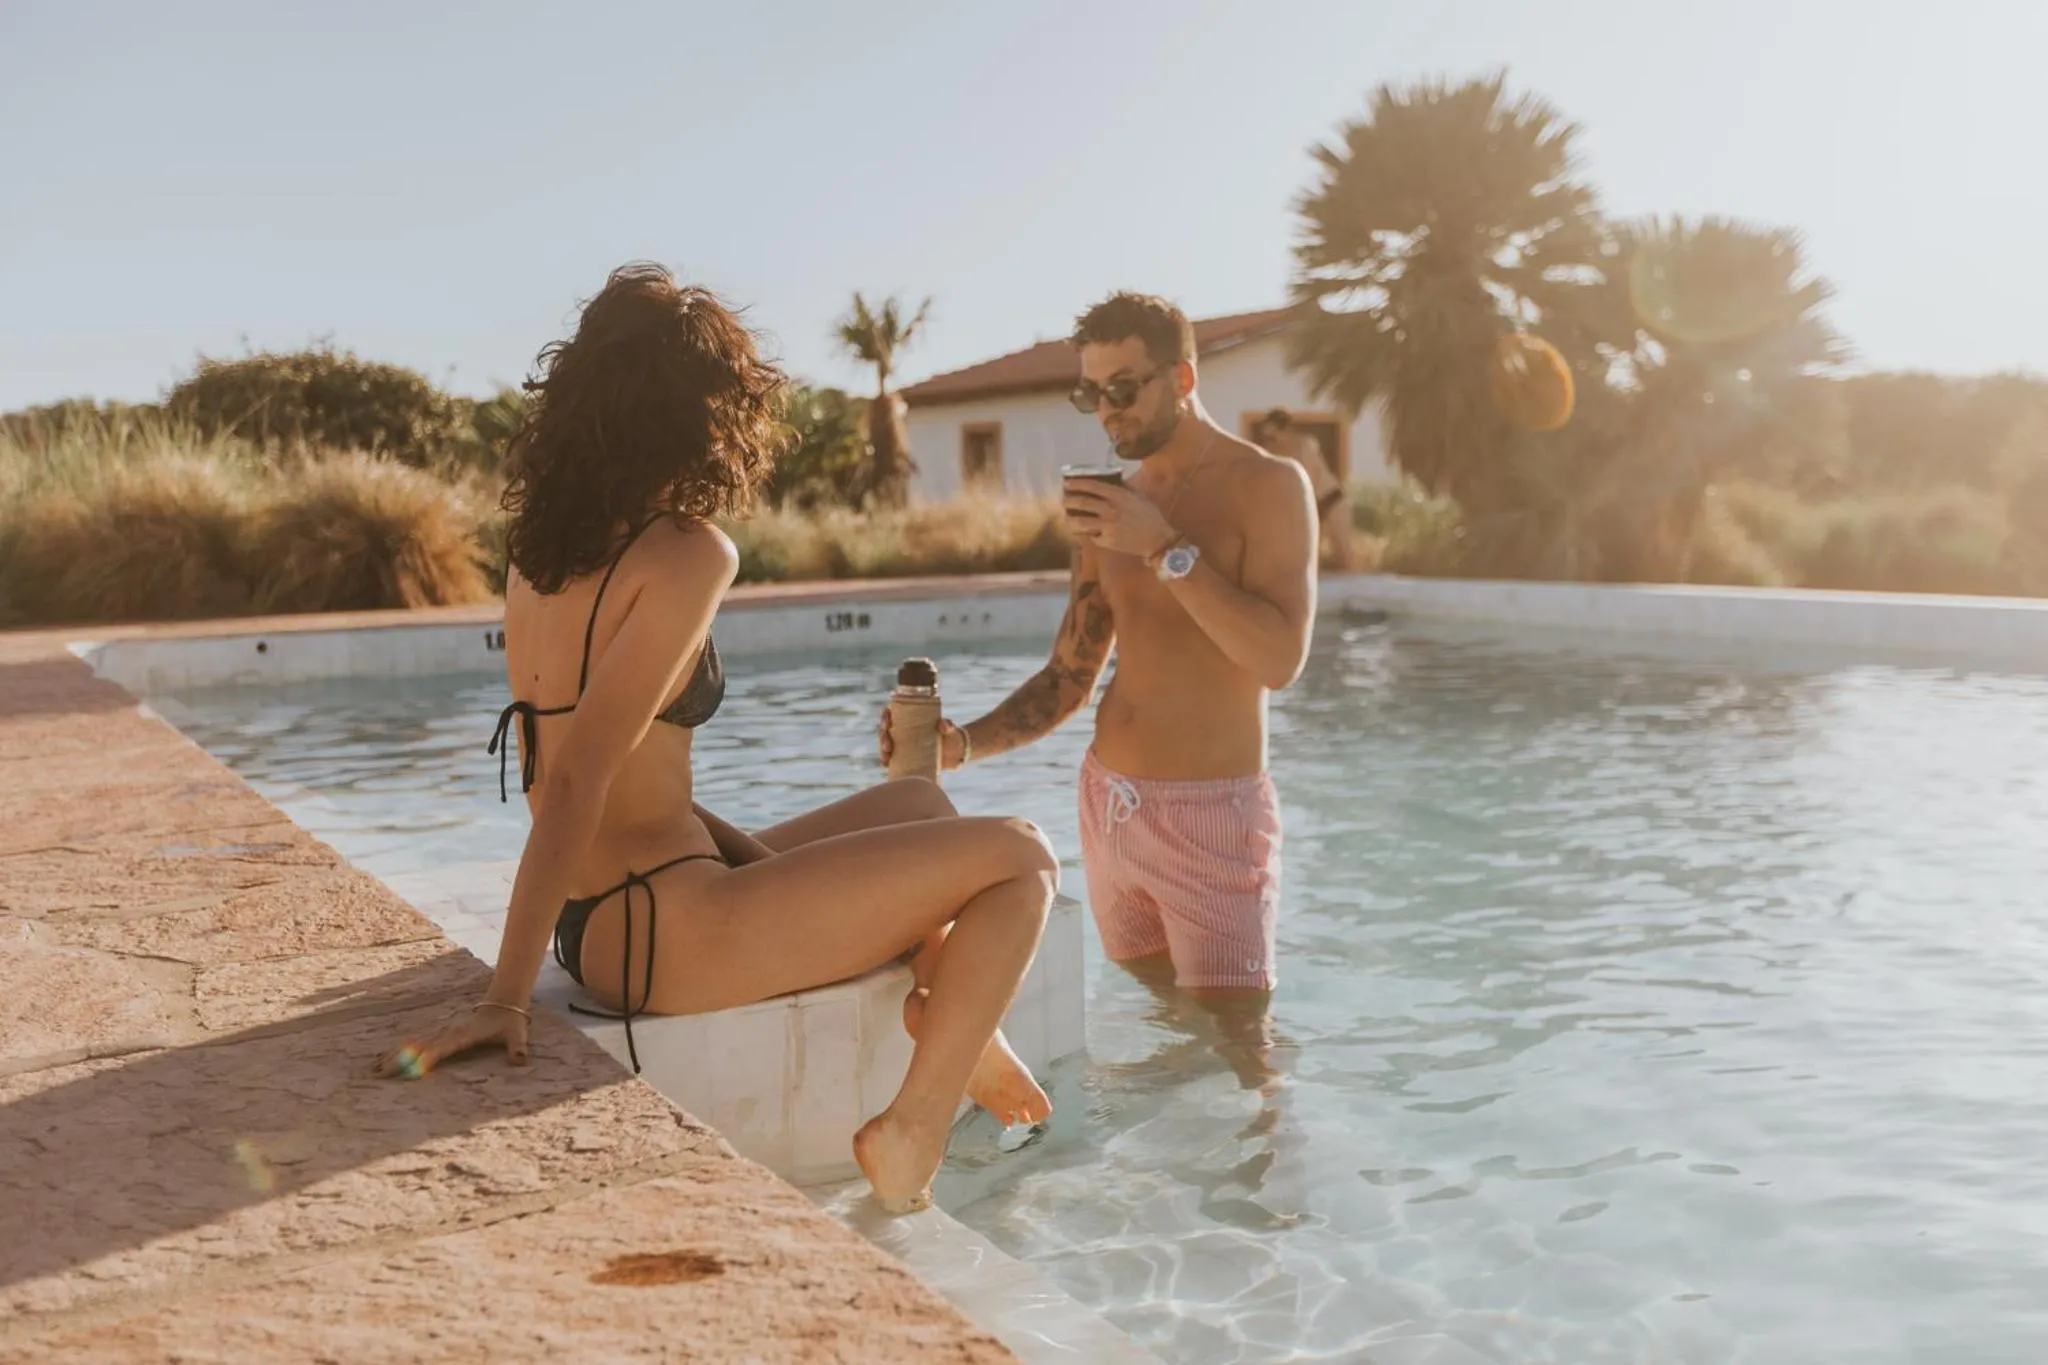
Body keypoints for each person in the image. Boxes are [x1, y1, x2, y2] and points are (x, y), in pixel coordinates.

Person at [376, 263, 1059, 1214]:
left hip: (613, 915)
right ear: (701, 416)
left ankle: (954, 1005)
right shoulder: (690, 553)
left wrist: (750, 861)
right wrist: (504, 995)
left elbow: (597, 783)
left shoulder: (539, 552)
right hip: (665, 932)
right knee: (1023, 856)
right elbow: (575, 785)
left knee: (919, 801)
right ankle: (914, 1128)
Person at [879, 291, 1317, 1014]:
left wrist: (1164, 548)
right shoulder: (1107, 508)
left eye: (1123, 388)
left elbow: (1280, 659)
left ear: (1181, 379)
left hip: (1213, 816)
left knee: (1237, 1042)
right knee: (1160, 1018)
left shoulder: (1266, 486)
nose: (1109, 410)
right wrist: (959, 746)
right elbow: (1068, 675)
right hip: (1109, 806)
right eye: (1092, 392)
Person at [1254, 408, 1356, 570]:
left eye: (1273, 435)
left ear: (1286, 430)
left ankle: (1354, 589)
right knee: (1308, 555)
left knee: (1343, 552)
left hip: (1331, 497)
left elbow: (1307, 476)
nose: (1270, 439)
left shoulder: (1306, 444)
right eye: (1267, 436)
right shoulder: (1272, 451)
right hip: (1310, 503)